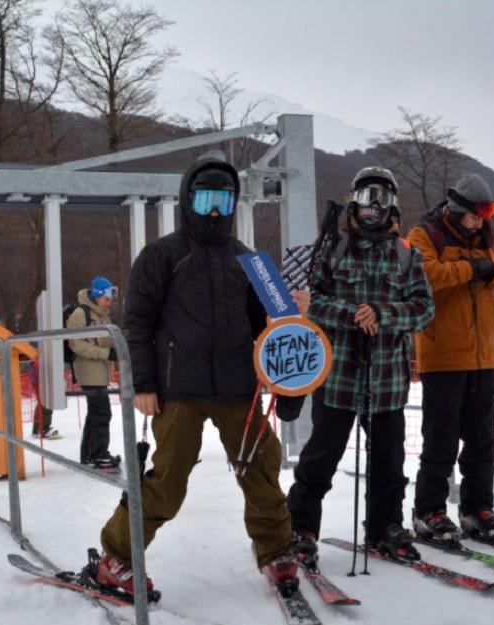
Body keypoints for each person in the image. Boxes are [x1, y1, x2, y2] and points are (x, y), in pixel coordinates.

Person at [93, 155, 297, 597]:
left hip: (239, 388)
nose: (214, 212)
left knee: (261, 469)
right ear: (188, 200)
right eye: (205, 199)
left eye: (223, 201)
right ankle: (117, 558)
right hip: (177, 389)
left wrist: (291, 385)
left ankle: (277, 549)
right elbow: (138, 322)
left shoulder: (253, 262)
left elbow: (285, 328)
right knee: (167, 478)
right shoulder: (162, 255)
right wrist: (142, 384)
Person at [287, 166, 434, 565]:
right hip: (338, 378)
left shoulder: (407, 255)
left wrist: (381, 313)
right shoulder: (332, 250)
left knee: (389, 461)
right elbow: (310, 303)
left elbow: (423, 309)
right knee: (320, 457)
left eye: (382, 198)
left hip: (387, 382)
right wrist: (353, 314)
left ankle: (385, 527)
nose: (373, 207)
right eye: (367, 197)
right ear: (353, 200)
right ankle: (300, 528)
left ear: (393, 205)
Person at [407, 173, 494, 541]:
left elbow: (492, 277)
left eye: (488, 214)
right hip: (443, 355)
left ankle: (477, 507)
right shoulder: (425, 235)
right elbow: (424, 275)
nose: (483, 220)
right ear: (459, 210)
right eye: (478, 214)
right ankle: (430, 509)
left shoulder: (484, 238)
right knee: (441, 438)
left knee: (481, 438)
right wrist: (472, 269)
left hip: (483, 355)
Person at [67, 276, 120, 469]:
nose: (109, 302)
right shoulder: (81, 314)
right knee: (102, 412)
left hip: (99, 370)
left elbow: (106, 338)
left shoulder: (102, 313)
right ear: (97, 296)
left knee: (95, 412)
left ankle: (89, 454)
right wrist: (106, 353)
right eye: (107, 298)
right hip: (90, 370)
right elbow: (76, 344)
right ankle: (98, 453)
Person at [28, 342, 59, 440]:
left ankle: (40, 428)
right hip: (40, 380)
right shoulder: (37, 358)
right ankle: (42, 429)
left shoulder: (43, 356)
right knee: (45, 404)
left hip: (43, 380)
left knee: (45, 404)